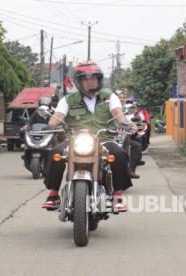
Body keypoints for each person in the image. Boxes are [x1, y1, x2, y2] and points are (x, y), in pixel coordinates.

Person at [42, 61, 136, 212]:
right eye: (86, 78)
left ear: (99, 80)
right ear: (79, 82)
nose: (90, 81)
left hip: (103, 139)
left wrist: (123, 124)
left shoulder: (109, 97)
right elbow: (58, 115)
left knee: (120, 154)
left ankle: (117, 194)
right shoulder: (68, 99)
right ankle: (53, 194)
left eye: (94, 78)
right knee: (56, 153)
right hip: (74, 139)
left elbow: (117, 112)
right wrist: (50, 125)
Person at [117, 91, 144, 179]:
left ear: (126, 99)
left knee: (136, 146)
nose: (121, 99)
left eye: (123, 97)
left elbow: (128, 120)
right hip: (109, 136)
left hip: (123, 136)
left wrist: (133, 126)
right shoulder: (108, 108)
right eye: (119, 97)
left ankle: (131, 170)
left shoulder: (126, 109)